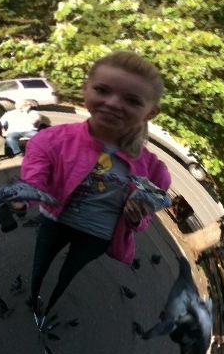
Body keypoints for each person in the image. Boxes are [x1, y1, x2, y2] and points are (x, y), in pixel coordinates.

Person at [18, 51, 171, 325]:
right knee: (40, 264)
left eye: (132, 101)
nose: (113, 103)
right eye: (102, 90)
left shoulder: (154, 170)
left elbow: (143, 219)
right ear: (85, 89)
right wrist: (18, 200)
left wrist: (135, 218)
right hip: (56, 219)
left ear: (151, 112)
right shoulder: (52, 140)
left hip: (98, 235)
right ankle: (34, 296)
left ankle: (49, 306)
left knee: (68, 273)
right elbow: (34, 180)